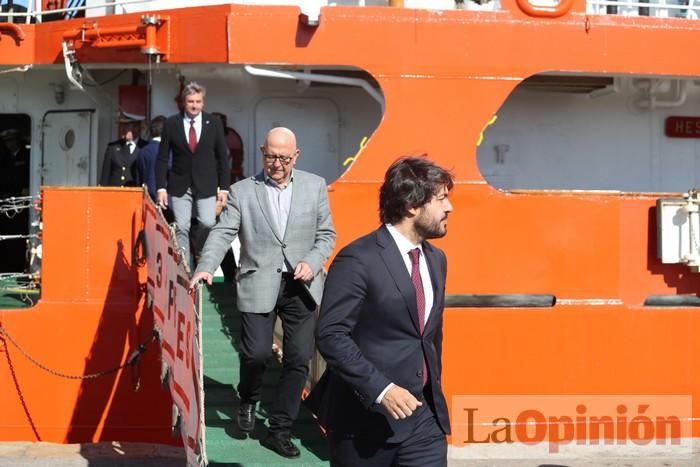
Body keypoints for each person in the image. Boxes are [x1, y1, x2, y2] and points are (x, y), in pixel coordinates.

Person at [189, 127, 335, 459]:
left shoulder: (314, 186)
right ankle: (248, 397)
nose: (277, 164)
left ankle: (279, 430)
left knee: (298, 358)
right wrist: (206, 266)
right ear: (261, 152)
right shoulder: (243, 191)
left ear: (296, 156)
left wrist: (312, 262)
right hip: (259, 282)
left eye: (284, 158)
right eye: (271, 157)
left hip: (302, 286)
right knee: (255, 354)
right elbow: (224, 230)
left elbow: (326, 234)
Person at [308, 156, 453, 467]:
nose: (449, 208)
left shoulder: (436, 260)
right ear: (412, 206)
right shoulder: (358, 259)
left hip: (424, 419)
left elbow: (428, 337)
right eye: (441, 199)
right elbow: (331, 334)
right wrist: (381, 389)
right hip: (364, 423)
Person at [155, 82, 229, 263]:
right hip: (180, 183)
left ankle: (201, 252)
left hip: (206, 182)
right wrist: (161, 188)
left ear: (203, 102)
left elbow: (222, 157)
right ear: (183, 102)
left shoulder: (214, 123)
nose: (194, 105)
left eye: (198, 101)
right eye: (190, 101)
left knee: (207, 222)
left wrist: (224, 189)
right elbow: (163, 157)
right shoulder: (172, 123)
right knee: (181, 226)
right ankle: (184, 264)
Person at [99, 120, 142, 187]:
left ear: (136, 128)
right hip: (115, 193)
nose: (123, 128)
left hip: (134, 193)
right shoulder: (113, 147)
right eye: (122, 125)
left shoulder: (144, 147)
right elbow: (105, 176)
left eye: (127, 126)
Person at [136, 115, 166, 201]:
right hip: (166, 201)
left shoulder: (142, 151)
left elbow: (139, 178)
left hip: (147, 200)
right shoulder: (168, 151)